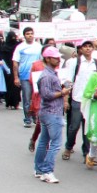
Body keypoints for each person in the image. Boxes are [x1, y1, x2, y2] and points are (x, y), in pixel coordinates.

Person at [33, 47, 69, 184]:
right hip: (52, 112)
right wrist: (62, 93)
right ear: (47, 59)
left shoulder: (52, 74)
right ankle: (47, 171)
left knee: (44, 141)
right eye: (55, 58)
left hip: (49, 112)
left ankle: (39, 168)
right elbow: (46, 95)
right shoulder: (47, 76)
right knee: (55, 143)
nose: (58, 60)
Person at [62, 41, 97, 163]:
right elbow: (68, 81)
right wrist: (66, 99)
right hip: (77, 98)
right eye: (86, 47)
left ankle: (86, 153)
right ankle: (68, 147)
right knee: (74, 126)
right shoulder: (75, 62)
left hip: (91, 99)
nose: (88, 49)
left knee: (87, 128)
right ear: (81, 49)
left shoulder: (95, 63)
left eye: (90, 47)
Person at [12, 27, 42, 127]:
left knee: (36, 97)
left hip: (36, 76)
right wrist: (16, 77)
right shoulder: (20, 47)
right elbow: (15, 63)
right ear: (24, 35)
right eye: (28, 34)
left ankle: (35, 115)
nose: (30, 35)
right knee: (26, 98)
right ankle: (27, 119)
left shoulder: (39, 47)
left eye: (31, 33)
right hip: (25, 76)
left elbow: (43, 61)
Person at [1, 31, 21, 109]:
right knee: (9, 86)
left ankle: (16, 103)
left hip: (16, 67)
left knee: (17, 87)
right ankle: (8, 102)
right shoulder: (4, 47)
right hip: (8, 69)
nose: (13, 39)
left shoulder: (18, 46)